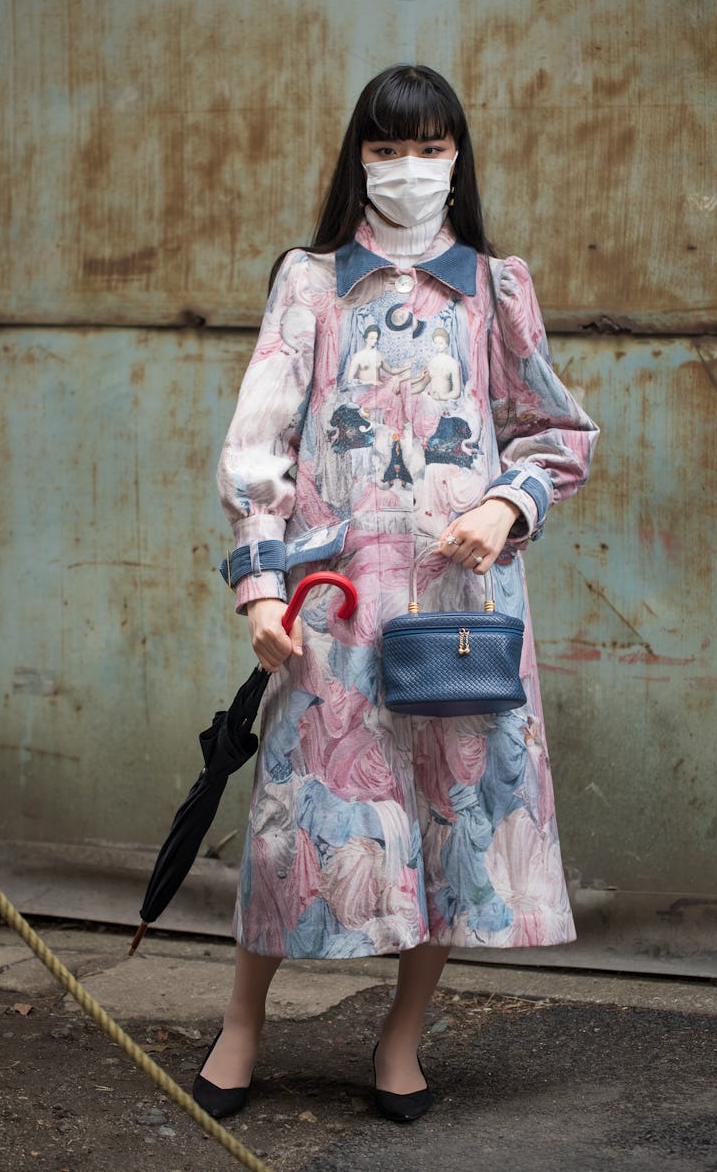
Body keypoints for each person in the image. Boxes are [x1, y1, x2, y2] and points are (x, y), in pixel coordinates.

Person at [196, 65, 599, 1124]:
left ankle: (401, 1042)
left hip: (465, 610)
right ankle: (243, 1023)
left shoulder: (496, 289)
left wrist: (507, 509)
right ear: (357, 161)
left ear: (458, 160)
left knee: (450, 819)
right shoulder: (312, 285)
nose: (408, 171)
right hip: (336, 608)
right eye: (386, 150)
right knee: (293, 819)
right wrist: (260, 594)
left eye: (428, 150)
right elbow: (258, 447)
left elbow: (557, 436)